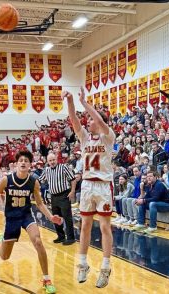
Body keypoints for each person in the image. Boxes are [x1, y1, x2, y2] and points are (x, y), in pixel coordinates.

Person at [0, 150, 62, 294]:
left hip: (26, 216)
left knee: (38, 241)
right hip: (12, 217)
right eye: (21, 160)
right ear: (16, 164)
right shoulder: (7, 180)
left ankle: (46, 279)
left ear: (30, 165)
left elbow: (39, 203)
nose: (23, 162)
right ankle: (0, 240)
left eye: (26, 161)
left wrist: (51, 217)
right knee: (4, 257)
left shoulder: (34, 182)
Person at [63, 87, 115, 288]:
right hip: (87, 185)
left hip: (103, 186)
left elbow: (100, 122)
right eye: (88, 119)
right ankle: (83, 264)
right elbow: (74, 120)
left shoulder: (108, 137)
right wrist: (70, 101)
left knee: (104, 226)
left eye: (91, 119)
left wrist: (85, 103)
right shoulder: (85, 138)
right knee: (84, 226)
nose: (88, 121)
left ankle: (105, 267)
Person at [39, 153, 76, 245]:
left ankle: (71, 238)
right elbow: (40, 180)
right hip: (53, 196)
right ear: (47, 162)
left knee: (67, 217)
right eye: (50, 161)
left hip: (64, 195)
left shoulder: (63, 167)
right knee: (56, 217)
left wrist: (72, 191)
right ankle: (61, 236)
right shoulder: (46, 170)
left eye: (53, 160)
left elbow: (73, 179)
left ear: (57, 159)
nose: (52, 162)